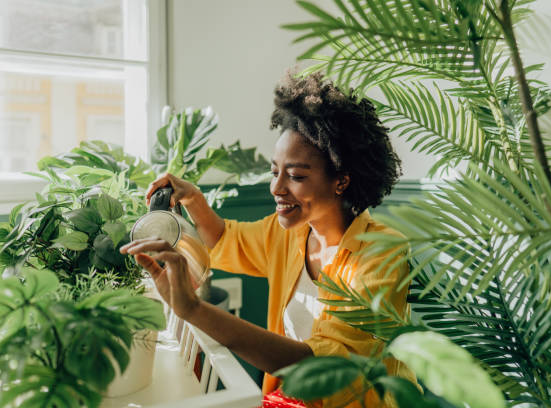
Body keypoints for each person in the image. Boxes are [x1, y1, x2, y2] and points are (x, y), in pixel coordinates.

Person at [120, 72, 417, 407]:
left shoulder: (382, 252)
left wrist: (193, 309)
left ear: (342, 181)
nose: (276, 188)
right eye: (275, 171)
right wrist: (194, 200)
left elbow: (322, 367)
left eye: (296, 176)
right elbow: (226, 241)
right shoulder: (290, 234)